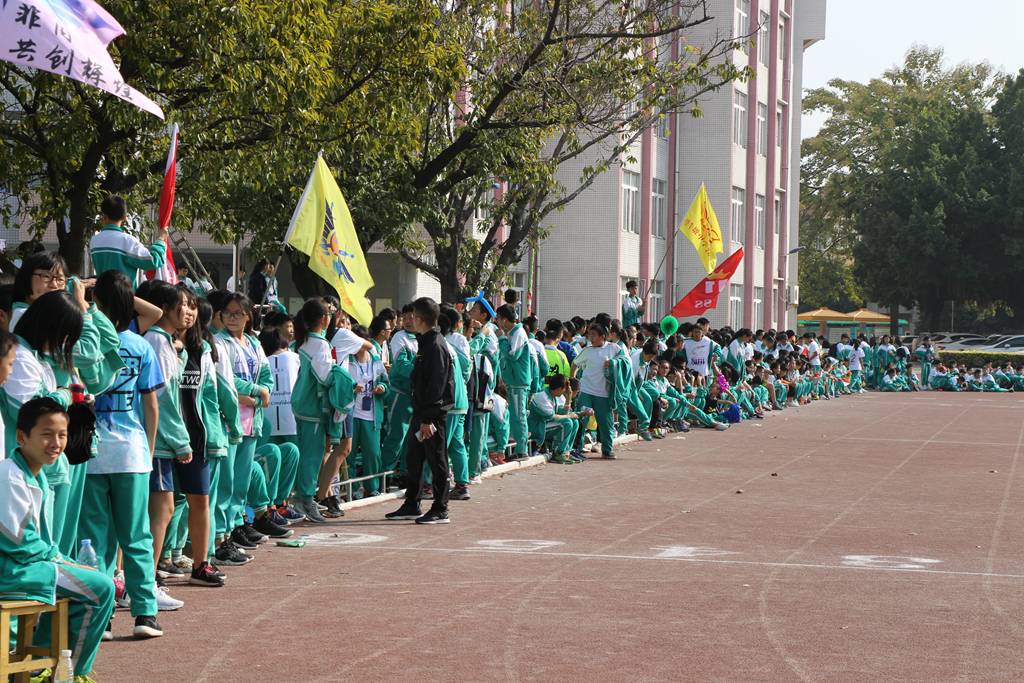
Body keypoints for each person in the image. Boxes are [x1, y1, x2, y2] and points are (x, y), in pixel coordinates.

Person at [0, 398, 117, 680]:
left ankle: (43, 664)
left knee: (92, 579)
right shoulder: (9, 475)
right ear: (21, 436)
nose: (55, 442)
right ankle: (69, 673)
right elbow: (20, 543)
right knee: (101, 588)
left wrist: (59, 558)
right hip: (13, 569)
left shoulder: (34, 474)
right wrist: (58, 557)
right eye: (46, 434)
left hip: (26, 566)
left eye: (62, 435)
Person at [80, 270, 166, 638]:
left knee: (95, 539)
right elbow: (152, 406)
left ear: (97, 301)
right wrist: (147, 450)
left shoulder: (85, 337)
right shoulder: (141, 345)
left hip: (90, 450)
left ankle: (103, 616)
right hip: (131, 452)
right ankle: (145, 614)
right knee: (136, 536)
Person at [138, 281, 194, 612]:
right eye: (179, 304)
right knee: (160, 512)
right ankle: (146, 582)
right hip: (157, 441)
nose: (185, 311)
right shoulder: (156, 343)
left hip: (157, 440)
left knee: (162, 510)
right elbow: (164, 399)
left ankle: (144, 579)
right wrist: (180, 440)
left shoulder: (164, 343)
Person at [385, 297, 454, 524]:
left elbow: (436, 386)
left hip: (432, 415)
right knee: (414, 457)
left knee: (437, 460)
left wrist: (427, 418)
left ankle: (440, 508)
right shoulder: (424, 342)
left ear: (421, 319)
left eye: (412, 316)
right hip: (421, 412)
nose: (408, 320)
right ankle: (412, 502)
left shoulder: (435, 346)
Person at [290, 298, 354, 522]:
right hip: (312, 408)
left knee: (308, 453)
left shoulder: (304, 340)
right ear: (323, 319)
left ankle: (302, 498)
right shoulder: (319, 343)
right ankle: (305, 500)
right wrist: (344, 379)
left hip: (301, 404)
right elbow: (325, 377)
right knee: (312, 455)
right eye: (329, 313)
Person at [344, 326, 390, 498]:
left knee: (372, 453)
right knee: (349, 453)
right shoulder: (347, 361)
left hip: (372, 415)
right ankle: (352, 488)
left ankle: (372, 487)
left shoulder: (376, 361)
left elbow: (387, 384)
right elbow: (339, 385)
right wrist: (351, 388)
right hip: (351, 415)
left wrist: (382, 388)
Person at [89, 195, 168, 285]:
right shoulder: (128, 241)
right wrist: (161, 239)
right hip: (124, 297)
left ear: (103, 216)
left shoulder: (94, 241)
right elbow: (153, 261)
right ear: (125, 217)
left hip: (101, 296)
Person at [572, 323, 619, 459]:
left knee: (606, 424)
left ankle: (607, 450)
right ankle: (577, 449)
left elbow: (624, 361)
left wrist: (613, 363)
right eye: (589, 335)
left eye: (593, 335)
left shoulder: (614, 348)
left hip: (604, 393)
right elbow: (575, 363)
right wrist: (572, 379)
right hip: (586, 390)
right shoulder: (587, 350)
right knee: (582, 420)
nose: (590, 338)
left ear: (602, 336)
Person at [496, 304, 532, 460]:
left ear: (504, 320)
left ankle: (522, 450)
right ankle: (519, 447)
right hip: (513, 380)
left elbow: (513, 355)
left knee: (519, 415)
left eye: (498, 319)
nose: (497, 322)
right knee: (515, 415)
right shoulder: (513, 332)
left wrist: (502, 339)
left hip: (519, 381)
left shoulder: (517, 333)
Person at [10, 251, 68, 329]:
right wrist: (81, 307)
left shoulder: (49, 314)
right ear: (26, 278)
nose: (54, 285)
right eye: (46, 276)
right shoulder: (23, 315)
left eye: (60, 279)